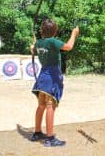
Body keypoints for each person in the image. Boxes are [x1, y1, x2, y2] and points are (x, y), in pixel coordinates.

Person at [30, 18, 79, 147]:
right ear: (55, 31)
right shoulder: (52, 41)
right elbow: (68, 47)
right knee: (50, 105)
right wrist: (74, 34)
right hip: (52, 78)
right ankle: (50, 137)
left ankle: (37, 132)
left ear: (41, 31)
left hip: (42, 78)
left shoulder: (39, 43)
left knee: (41, 105)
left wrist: (34, 45)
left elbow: (33, 50)